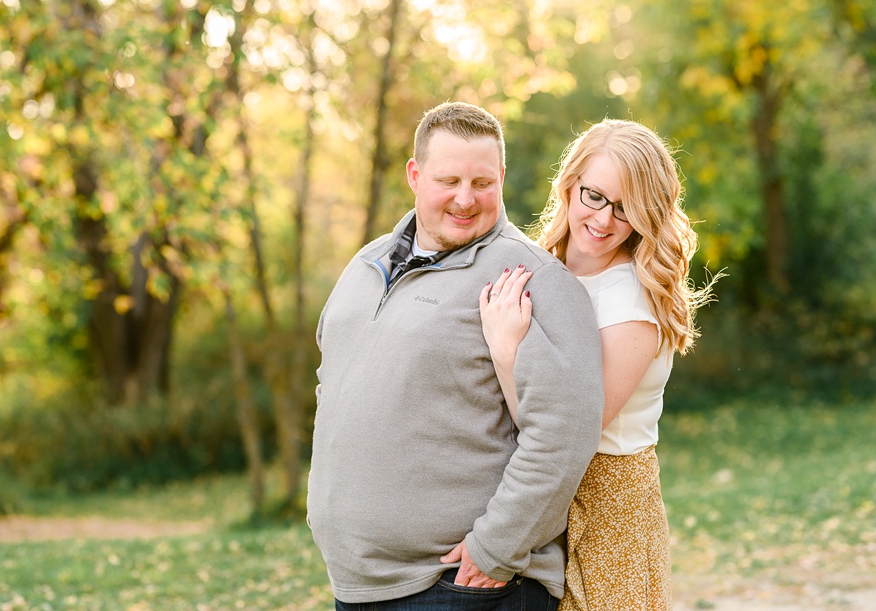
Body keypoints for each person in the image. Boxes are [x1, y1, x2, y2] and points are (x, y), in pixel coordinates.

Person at [307, 101, 605, 610]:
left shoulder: (533, 279)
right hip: (358, 586)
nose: (465, 199)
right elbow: (330, 387)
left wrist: (494, 551)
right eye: (449, 181)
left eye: (482, 183)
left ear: (501, 178)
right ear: (415, 175)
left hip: (460, 588)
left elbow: (566, 431)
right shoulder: (364, 266)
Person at [480, 118, 717, 610]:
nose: (604, 220)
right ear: (570, 185)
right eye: (595, 196)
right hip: (540, 499)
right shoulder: (539, 267)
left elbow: (568, 433)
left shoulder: (631, 304)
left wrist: (506, 352)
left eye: (626, 208)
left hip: (608, 510)